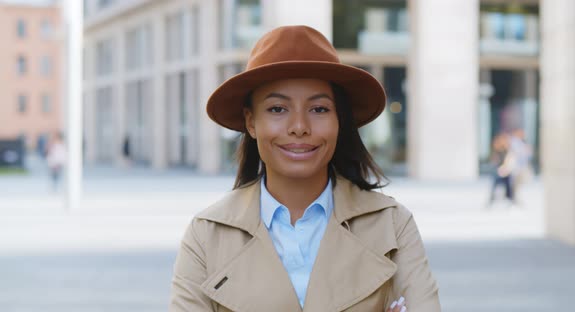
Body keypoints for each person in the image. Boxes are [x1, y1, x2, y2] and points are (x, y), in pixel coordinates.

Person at [169, 25, 440, 312]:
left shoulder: (392, 225)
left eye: (319, 109)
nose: (299, 127)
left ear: (339, 120)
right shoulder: (207, 234)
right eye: (277, 109)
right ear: (251, 122)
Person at [488, 133, 515, 207]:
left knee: (508, 185)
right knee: (496, 184)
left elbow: (509, 160)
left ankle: (510, 199)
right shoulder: (496, 150)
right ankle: (492, 199)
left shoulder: (507, 150)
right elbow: (494, 161)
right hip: (498, 171)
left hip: (506, 170)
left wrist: (505, 168)